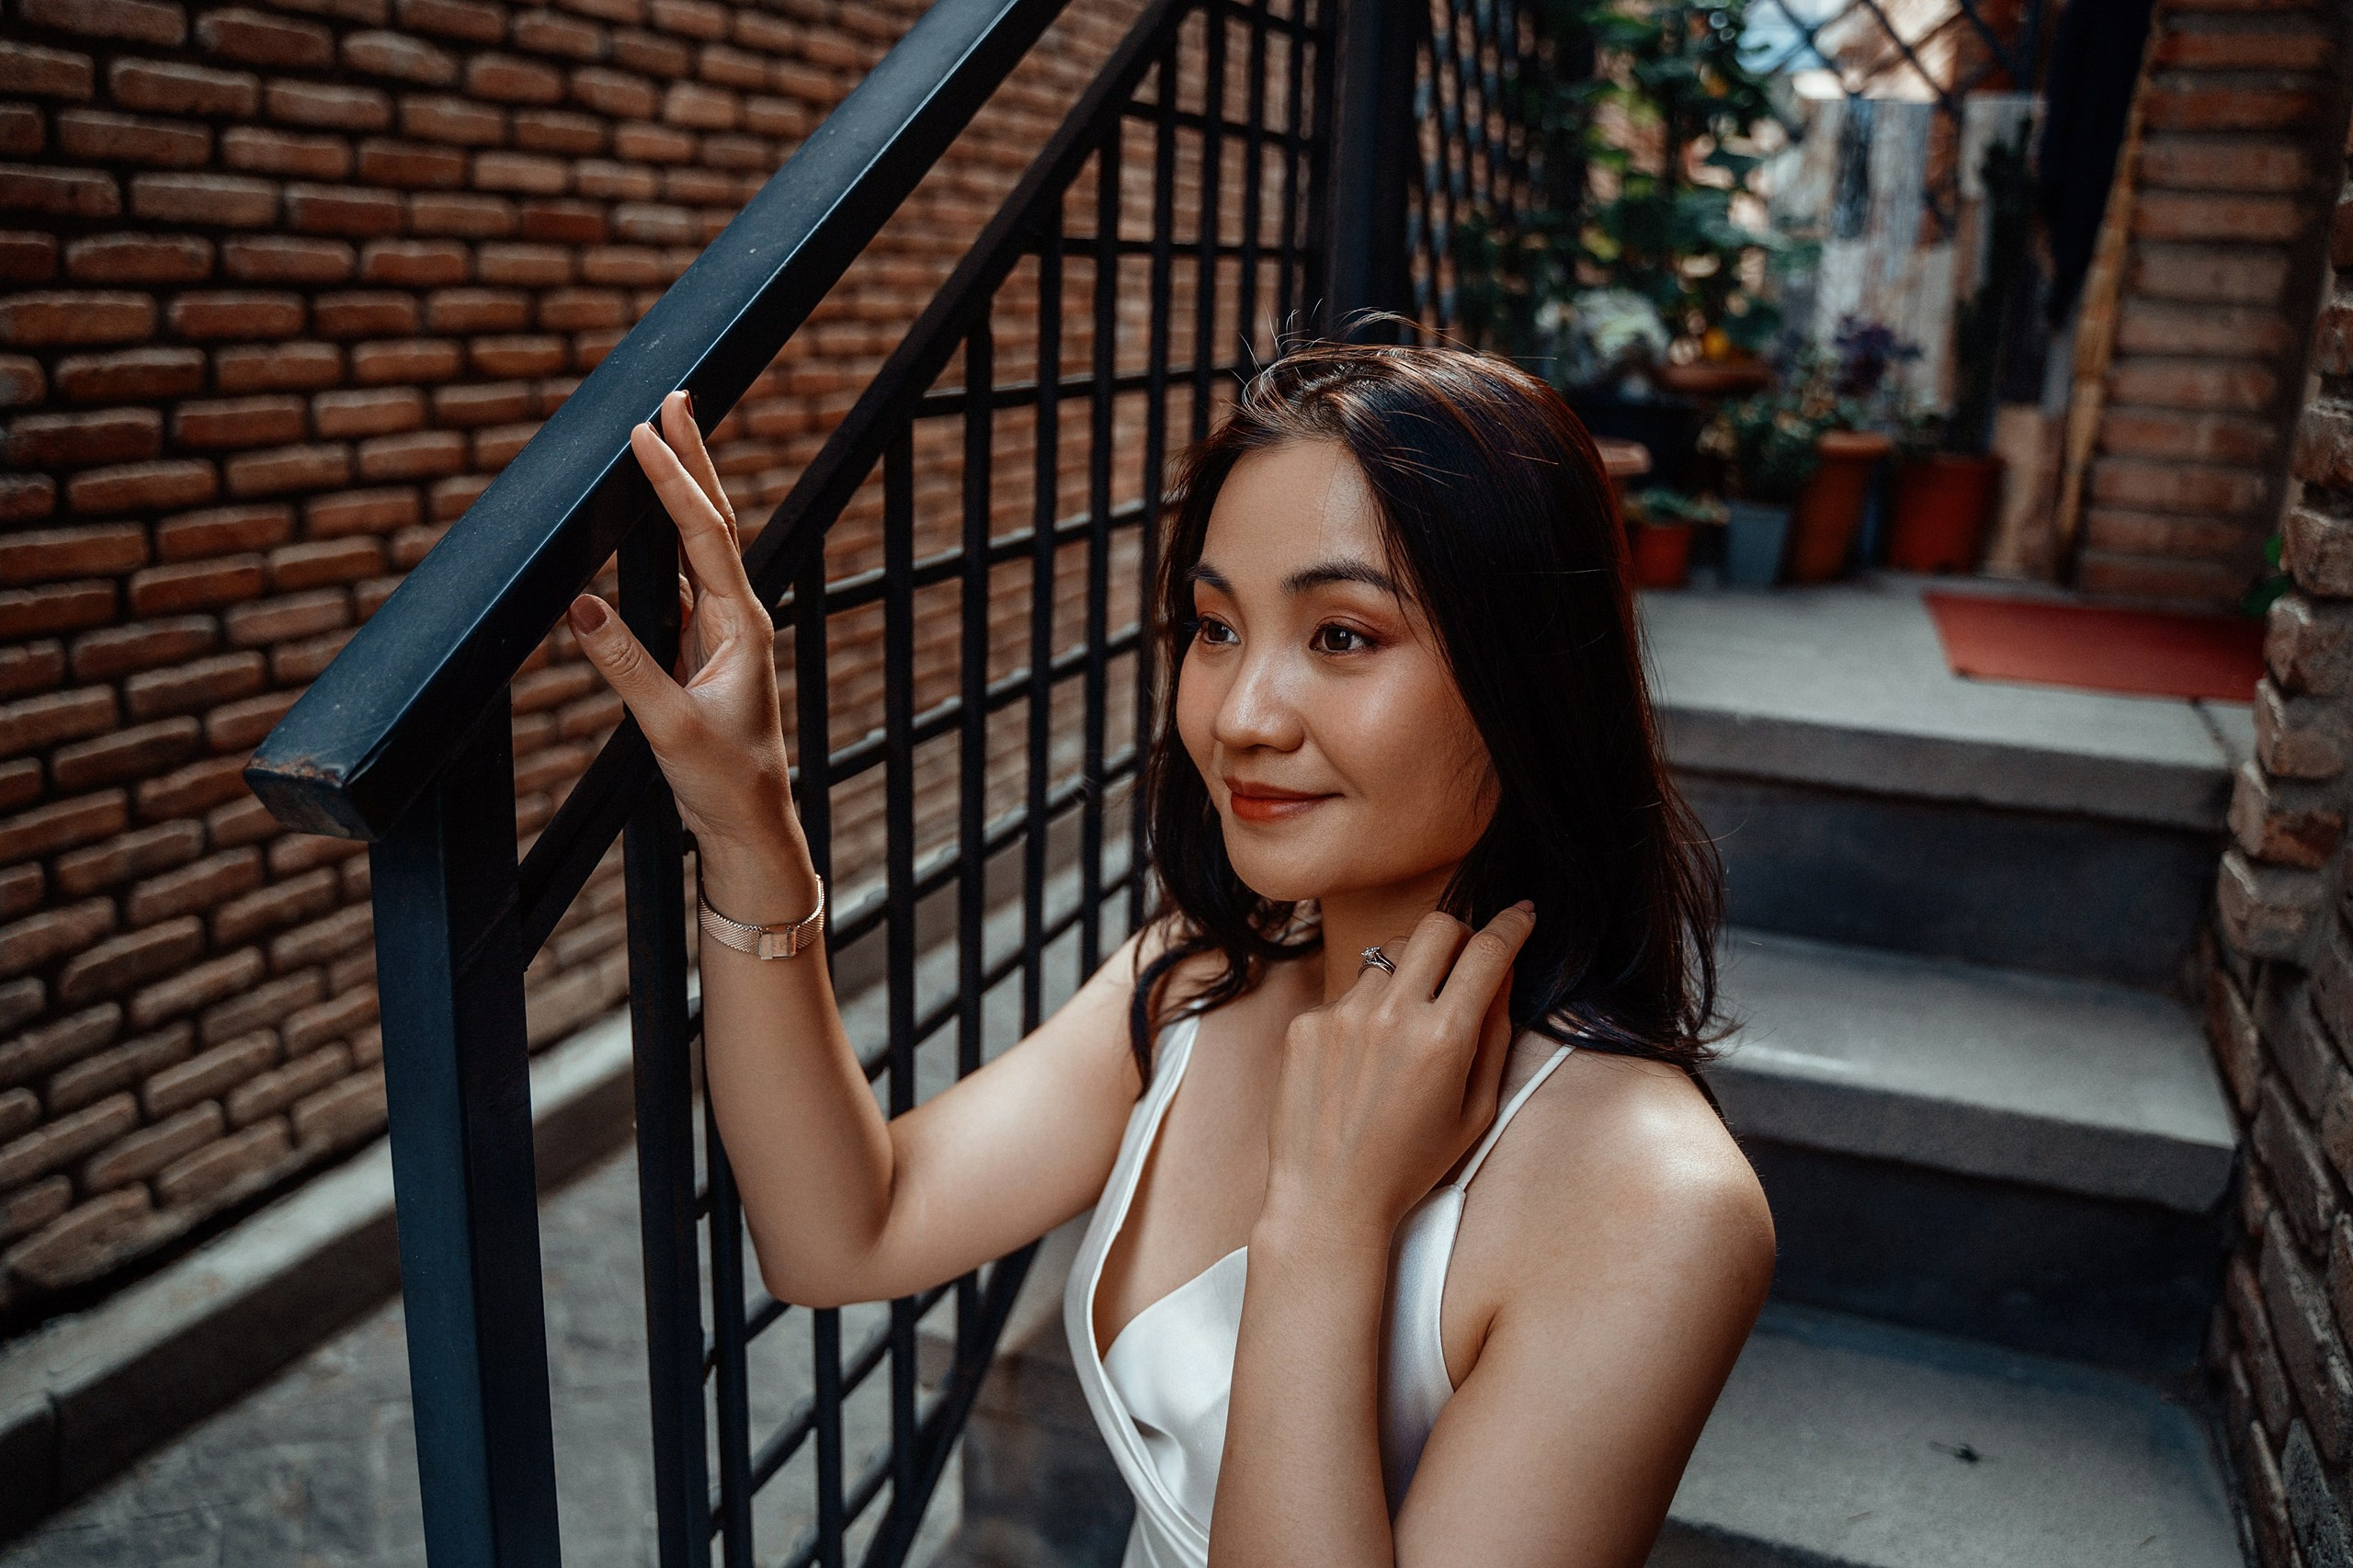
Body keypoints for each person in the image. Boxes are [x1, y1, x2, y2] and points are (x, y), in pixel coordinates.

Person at [565, 341, 1776, 1568]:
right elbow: (845, 1232)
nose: (1242, 714)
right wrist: (749, 824)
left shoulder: (1656, 1205)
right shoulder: (1195, 984)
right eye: (1214, 625)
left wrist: (1327, 1220)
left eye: (1344, 636)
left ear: (1533, 673)